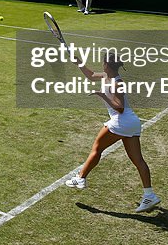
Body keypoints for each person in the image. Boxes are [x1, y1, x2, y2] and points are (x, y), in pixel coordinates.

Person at [65, 53, 161, 213]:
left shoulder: (118, 83)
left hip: (120, 122)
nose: (101, 65)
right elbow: (90, 75)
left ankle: (80, 178)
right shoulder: (105, 76)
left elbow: (120, 107)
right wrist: (79, 63)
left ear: (106, 65)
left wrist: (103, 96)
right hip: (132, 123)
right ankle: (149, 195)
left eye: (103, 62)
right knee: (138, 160)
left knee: (97, 149)